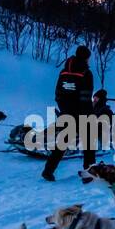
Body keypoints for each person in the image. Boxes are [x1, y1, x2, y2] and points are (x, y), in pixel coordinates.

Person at [41, 44, 96, 181]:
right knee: (89, 144)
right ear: (86, 58)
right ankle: (89, 174)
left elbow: (58, 94)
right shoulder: (86, 73)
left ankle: (48, 170)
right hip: (82, 114)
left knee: (62, 143)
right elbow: (86, 97)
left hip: (66, 112)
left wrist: (65, 109)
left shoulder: (63, 72)